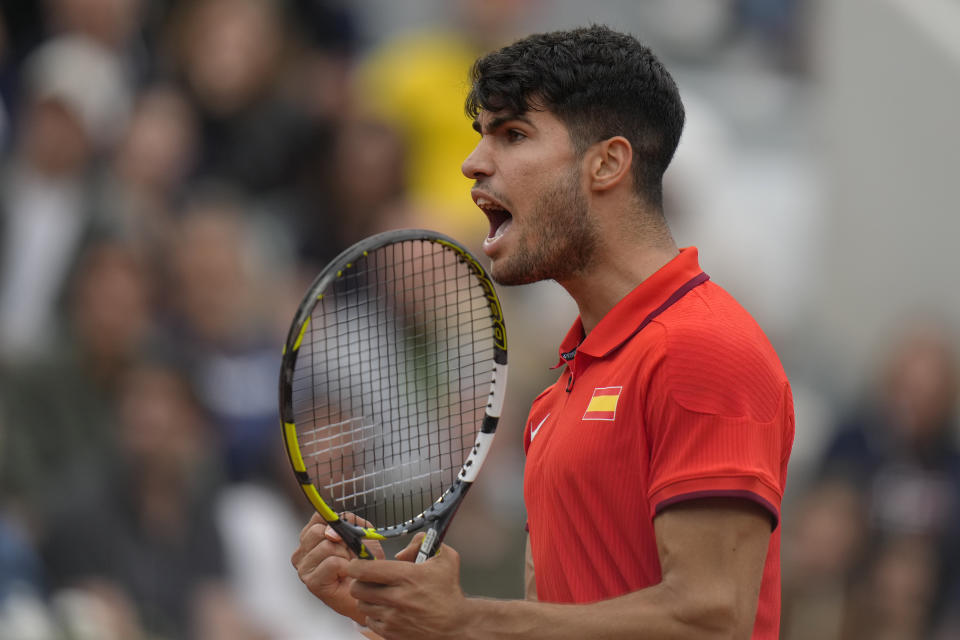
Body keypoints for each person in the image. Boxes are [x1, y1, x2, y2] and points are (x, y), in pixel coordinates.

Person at [292, 25, 794, 639]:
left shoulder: (702, 347)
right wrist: (397, 618)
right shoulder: (559, 393)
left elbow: (712, 622)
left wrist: (467, 620)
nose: (472, 164)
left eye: (513, 136)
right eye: (483, 137)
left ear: (607, 162)